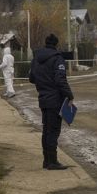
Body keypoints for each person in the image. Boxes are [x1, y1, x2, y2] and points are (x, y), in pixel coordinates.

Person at [28, 34, 74, 170]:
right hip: (55, 99)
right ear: (56, 44)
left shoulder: (36, 58)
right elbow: (60, 80)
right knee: (53, 131)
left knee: (46, 130)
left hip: (42, 98)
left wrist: (43, 82)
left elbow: (31, 78)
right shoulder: (57, 58)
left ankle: (46, 161)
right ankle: (52, 162)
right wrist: (69, 95)